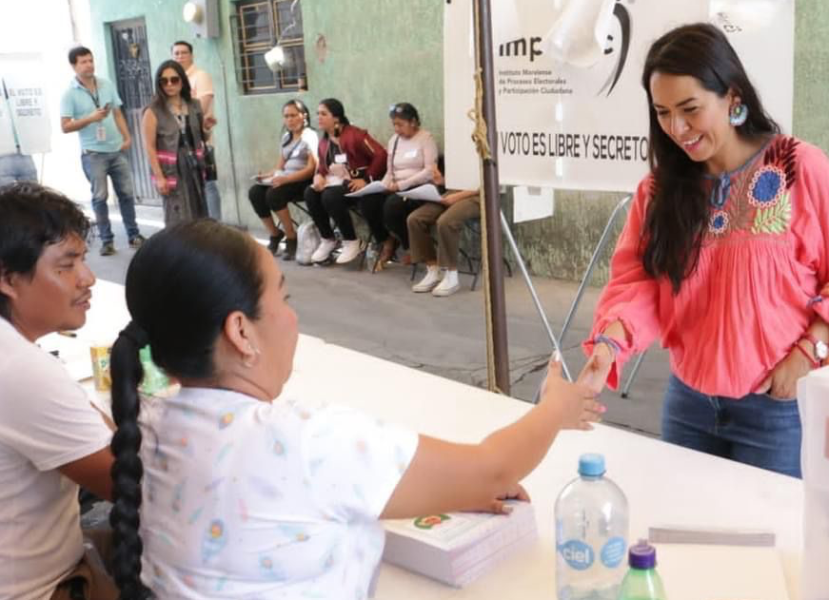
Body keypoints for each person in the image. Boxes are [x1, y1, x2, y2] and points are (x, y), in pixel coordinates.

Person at [105, 219, 602, 597]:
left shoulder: (145, 424)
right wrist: (555, 409)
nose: (293, 315)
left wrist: (445, 488)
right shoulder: (304, 439)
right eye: (284, 295)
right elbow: (494, 470)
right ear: (241, 332)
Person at [579, 24, 829, 478]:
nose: (677, 129)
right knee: (685, 535)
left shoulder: (798, 167)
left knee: (768, 544)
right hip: (688, 404)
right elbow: (640, 285)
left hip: (775, 410)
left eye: (690, 109)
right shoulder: (659, 191)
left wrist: (807, 354)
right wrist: (610, 345)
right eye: (662, 113)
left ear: (732, 96)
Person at [0, 183, 117, 600]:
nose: (88, 278)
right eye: (67, 265)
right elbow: (132, 484)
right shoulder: (15, 366)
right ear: (6, 277)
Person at [59, 46, 144, 257]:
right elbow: (65, 126)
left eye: (90, 60)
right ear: (73, 66)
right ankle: (107, 240)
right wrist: (90, 118)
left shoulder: (106, 84)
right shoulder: (69, 94)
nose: (89, 65)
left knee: (126, 193)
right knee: (100, 197)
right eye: (83, 62)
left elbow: (117, 113)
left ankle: (133, 235)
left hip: (116, 149)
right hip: (93, 153)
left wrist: (127, 136)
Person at [303, 99, 387, 265]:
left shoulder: (355, 135)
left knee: (330, 196)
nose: (318, 117)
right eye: (317, 113)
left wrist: (366, 179)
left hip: (358, 185)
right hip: (337, 183)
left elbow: (381, 155)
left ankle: (351, 241)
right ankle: (328, 239)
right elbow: (322, 167)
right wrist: (318, 176)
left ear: (336, 118)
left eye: (323, 114)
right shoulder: (324, 142)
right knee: (310, 193)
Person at [247, 99, 318, 261]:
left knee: (274, 194)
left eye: (293, 115)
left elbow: (311, 169)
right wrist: (265, 176)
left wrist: (285, 180)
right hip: (284, 179)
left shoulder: (310, 136)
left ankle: (291, 237)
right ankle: (275, 234)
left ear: (303, 116)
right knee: (255, 192)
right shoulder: (286, 137)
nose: (290, 120)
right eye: (286, 116)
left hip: (302, 181)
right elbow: (280, 166)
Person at [142, 60, 209, 227]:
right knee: (177, 212)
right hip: (171, 167)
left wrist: (207, 128)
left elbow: (202, 137)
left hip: (193, 163)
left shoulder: (194, 105)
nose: (169, 84)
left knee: (199, 208)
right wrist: (159, 177)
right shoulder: (153, 110)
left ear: (182, 81)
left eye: (174, 79)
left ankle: (198, 249)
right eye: (164, 81)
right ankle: (178, 250)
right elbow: (149, 147)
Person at [371, 103, 439, 267]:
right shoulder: (394, 140)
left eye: (400, 124)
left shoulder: (426, 138)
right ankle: (388, 241)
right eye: (394, 124)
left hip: (419, 188)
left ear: (413, 122)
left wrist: (402, 185)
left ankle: (411, 247)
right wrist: (383, 185)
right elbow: (390, 171)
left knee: (392, 206)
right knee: (370, 201)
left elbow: (430, 170)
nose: (397, 129)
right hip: (397, 187)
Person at [407, 163, 479, 296]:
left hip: (479, 196)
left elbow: (493, 184)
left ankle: (451, 274)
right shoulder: (459, 146)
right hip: (454, 191)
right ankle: (433, 269)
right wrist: (443, 181)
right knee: (415, 219)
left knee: (446, 221)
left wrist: (458, 196)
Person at [172, 41, 222, 221]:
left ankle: (216, 226)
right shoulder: (173, 81)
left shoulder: (200, 76)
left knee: (208, 184)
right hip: (180, 144)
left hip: (202, 140)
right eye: (176, 53)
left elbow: (199, 108)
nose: (180, 56)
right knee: (188, 186)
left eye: (184, 53)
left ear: (191, 55)